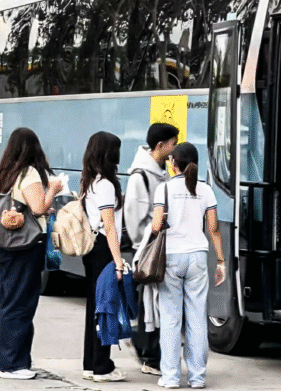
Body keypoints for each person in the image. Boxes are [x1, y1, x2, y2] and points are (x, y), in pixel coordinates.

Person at [149, 142, 226, 389]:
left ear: (173, 164)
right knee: (196, 318)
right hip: (197, 257)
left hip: (171, 257)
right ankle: (197, 377)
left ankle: (170, 378)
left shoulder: (164, 188)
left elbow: (155, 225)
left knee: (171, 319)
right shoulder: (205, 191)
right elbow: (213, 229)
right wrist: (221, 260)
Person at [0, 127, 63, 380]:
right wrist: (53, 188)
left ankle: (15, 361)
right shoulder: (28, 173)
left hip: (4, 243)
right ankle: (10, 364)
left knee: (11, 301)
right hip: (24, 245)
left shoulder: (5, 172)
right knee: (20, 303)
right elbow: (38, 207)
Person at [124, 123, 179, 376]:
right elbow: (134, 221)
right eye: (172, 144)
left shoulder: (160, 172)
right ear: (160, 146)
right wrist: (147, 243)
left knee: (157, 304)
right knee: (148, 304)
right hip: (147, 250)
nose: (174, 149)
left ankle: (153, 355)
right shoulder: (141, 176)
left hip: (161, 247)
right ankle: (148, 356)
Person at [80, 131, 127, 383]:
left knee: (94, 307)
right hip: (103, 250)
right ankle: (102, 366)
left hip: (92, 249)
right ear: (109, 153)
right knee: (105, 307)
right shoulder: (106, 185)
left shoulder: (90, 182)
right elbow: (110, 226)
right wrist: (118, 261)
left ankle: (90, 363)